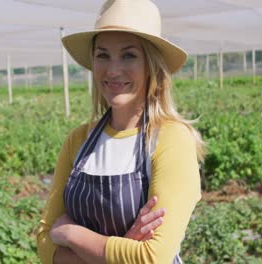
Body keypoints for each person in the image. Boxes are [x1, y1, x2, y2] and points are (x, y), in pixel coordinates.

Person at [37, 0, 205, 263]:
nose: (113, 70)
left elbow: (152, 257)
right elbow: (44, 242)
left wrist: (72, 233)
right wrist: (122, 249)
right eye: (102, 55)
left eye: (129, 55)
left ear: (152, 64)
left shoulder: (169, 139)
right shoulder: (78, 141)